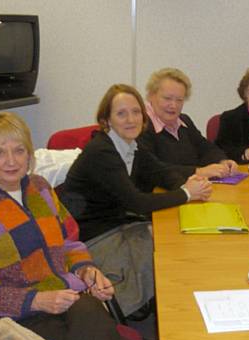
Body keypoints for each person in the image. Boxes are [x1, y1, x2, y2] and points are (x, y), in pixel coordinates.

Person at [0, 112, 134, 340]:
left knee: (88, 312)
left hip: (65, 296)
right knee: (99, 334)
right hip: (17, 315)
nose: (12, 161)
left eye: (19, 150)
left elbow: (69, 243)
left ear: (29, 154)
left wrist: (86, 270)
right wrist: (36, 301)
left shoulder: (41, 189)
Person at [61, 84, 212, 317]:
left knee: (173, 237)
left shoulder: (133, 145)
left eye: (136, 112)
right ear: (107, 120)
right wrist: (187, 194)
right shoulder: (102, 151)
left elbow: (162, 172)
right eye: (121, 113)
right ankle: (156, 308)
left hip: (116, 223)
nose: (130, 119)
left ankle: (168, 304)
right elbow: (138, 203)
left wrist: (189, 183)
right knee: (163, 250)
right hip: (91, 236)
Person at [139, 67, 238, 178]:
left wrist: (222, 161)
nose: (173, 105)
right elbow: (152, 169)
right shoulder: (141, 125)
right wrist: (198, 172)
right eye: (167, 98)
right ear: (151, 96)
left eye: (179, 100)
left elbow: (206, 148)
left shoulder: (184, 121)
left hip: (192, 189)